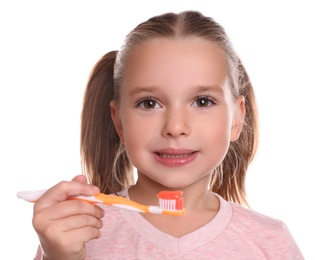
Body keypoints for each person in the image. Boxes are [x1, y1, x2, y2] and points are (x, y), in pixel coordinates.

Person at [32, 10, 303, 259]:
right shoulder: (77, 236)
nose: (175, 127)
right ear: (119, 122)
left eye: (202, 102)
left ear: (237, 118)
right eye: (149, 103)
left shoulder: (271, 242)